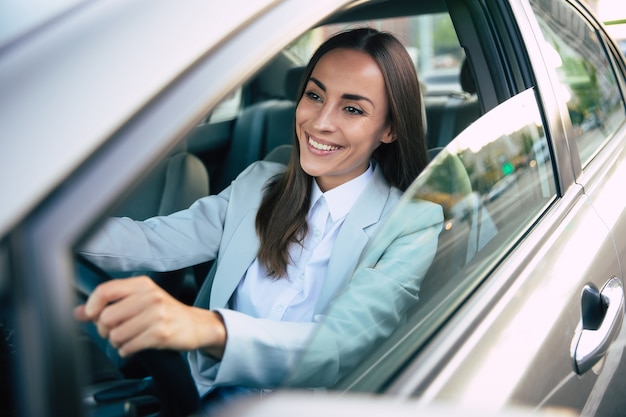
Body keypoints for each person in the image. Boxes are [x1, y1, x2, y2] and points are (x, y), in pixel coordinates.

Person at [75, 27, 443, 404]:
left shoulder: (411, 223)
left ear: (390, 129)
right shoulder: (259, 184)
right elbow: (153, 241)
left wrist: (205, 328)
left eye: (352, 109)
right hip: (201, 396)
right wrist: (44, 234)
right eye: (315, 96)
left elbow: (340, 343)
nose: (320, 122)